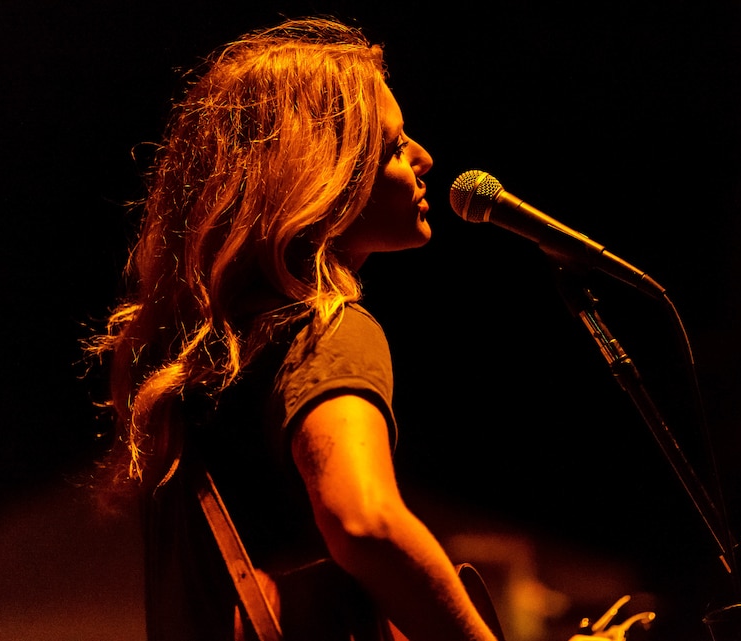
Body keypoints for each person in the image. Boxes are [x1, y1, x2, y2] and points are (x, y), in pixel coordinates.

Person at [86, 16, 500, 641]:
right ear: (320, 180)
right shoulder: (328, 330)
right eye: (391, 145)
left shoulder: (200, 364)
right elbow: (364, 520)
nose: (425, 158)